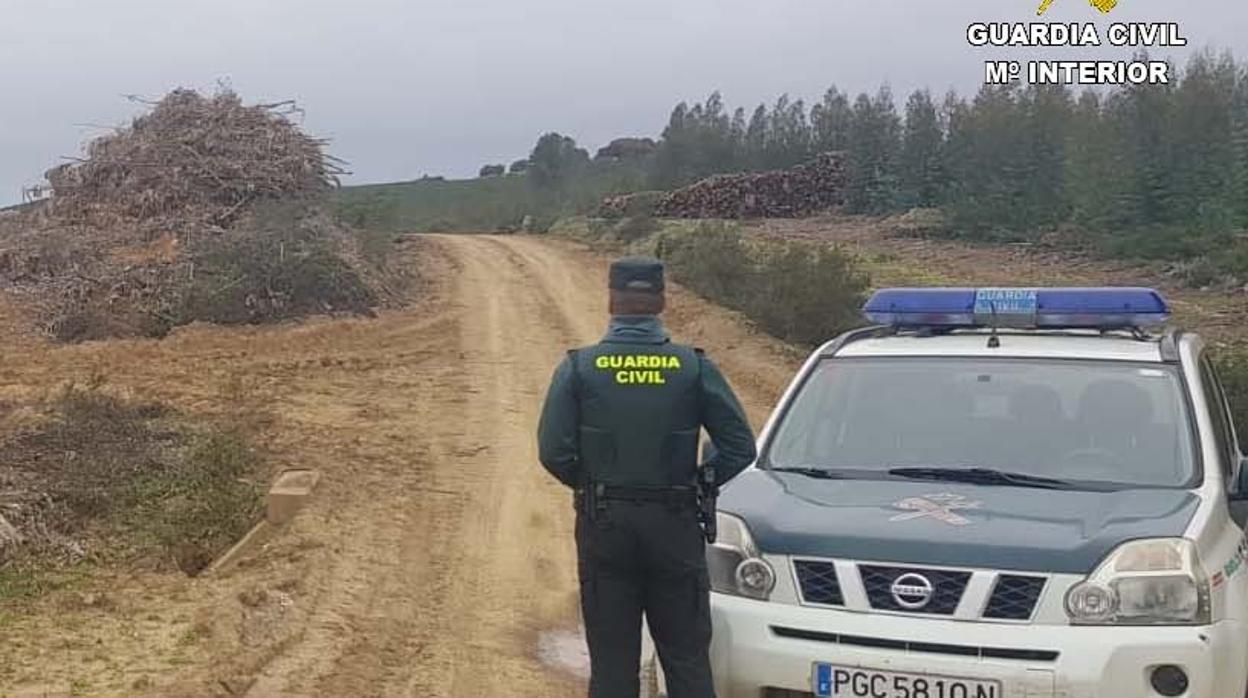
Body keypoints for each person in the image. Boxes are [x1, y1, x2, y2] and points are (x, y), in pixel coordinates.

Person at [537, 256, 756, 698]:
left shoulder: (580, 368)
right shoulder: (693, 368)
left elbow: (553, 452)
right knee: (687, 660)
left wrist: (593, 485)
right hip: (675, 525)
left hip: (605, 526)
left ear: (612, 301)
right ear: (661, 301)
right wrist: (701, 482)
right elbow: (739, 447)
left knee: (613, 664)